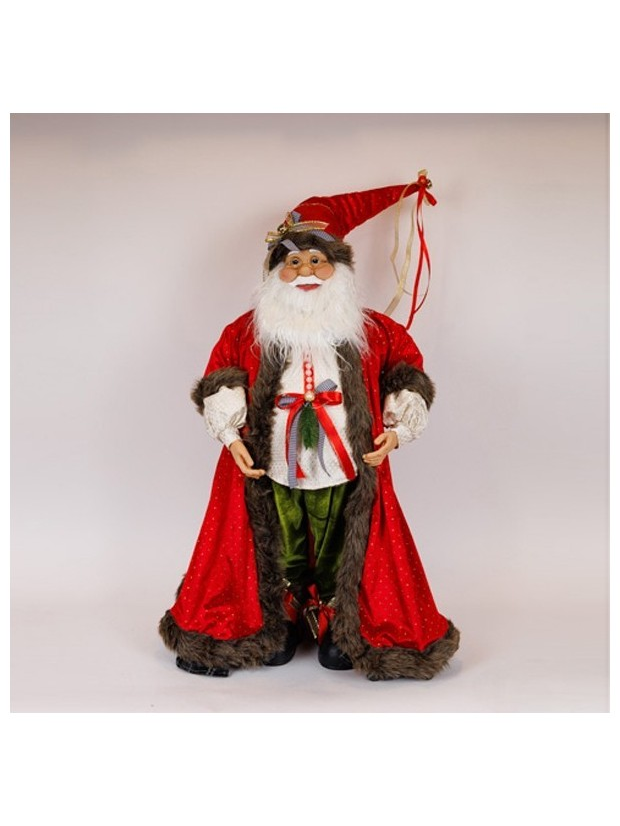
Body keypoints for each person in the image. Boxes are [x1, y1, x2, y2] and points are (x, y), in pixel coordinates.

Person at [159, 175, 460, 680]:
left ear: (339, 269)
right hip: (271, 465)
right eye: (293, 262)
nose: (305, 273)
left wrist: (397, 429)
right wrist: (230, 436)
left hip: (346, 465)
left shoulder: (374, 332)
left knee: (343, 539)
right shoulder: (246, 331)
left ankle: (339, 622)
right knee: (278, 539)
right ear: (274, 272)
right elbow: (222, 378)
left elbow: (406, 373)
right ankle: (280, 617)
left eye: (317, 261)